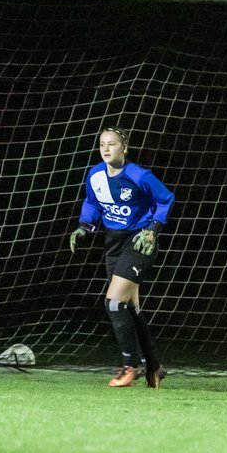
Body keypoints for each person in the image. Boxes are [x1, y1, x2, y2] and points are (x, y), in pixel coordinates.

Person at [69, 126, 174, 388]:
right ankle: (155, 367)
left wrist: (152, 230)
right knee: (129, 308)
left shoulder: (139, 176)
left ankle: (130, 367)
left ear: (124, 148)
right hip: (113, 243)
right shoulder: (95, 175)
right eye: (102, 144)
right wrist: (84, 225)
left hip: (139, 242)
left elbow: (166, 198)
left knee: (114, 303)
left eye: (112, 144)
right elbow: (92, 202)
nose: (106, 148)